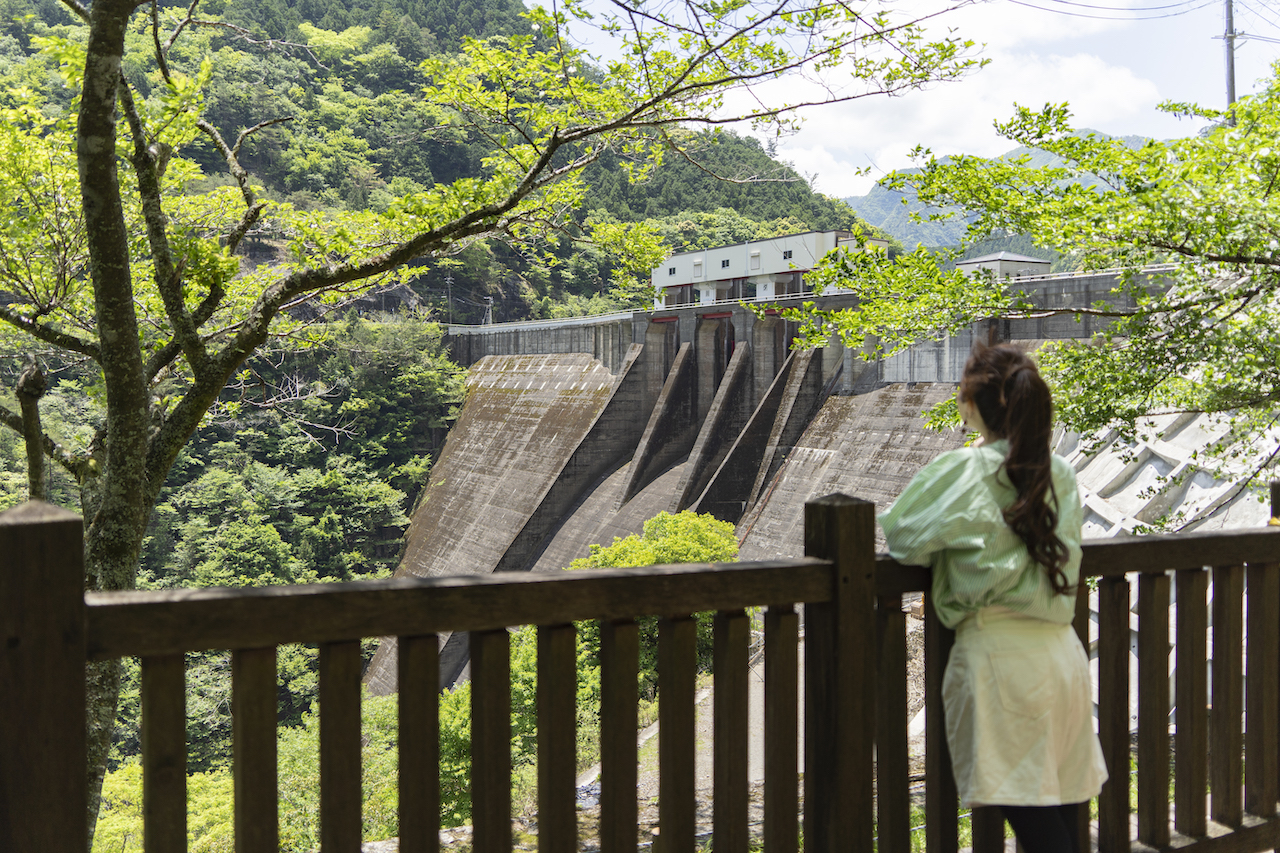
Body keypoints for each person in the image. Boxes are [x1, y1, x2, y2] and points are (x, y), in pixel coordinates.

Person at [879, 342, 1107, 853]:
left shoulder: (963, 473)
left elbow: (902, 537)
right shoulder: (1061, 474)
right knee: (1064, 819)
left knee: (1039, 831)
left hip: (1000, 664)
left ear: (971, 405)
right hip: (1061, 658)